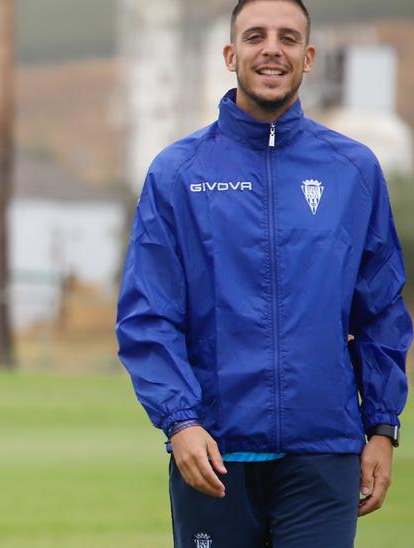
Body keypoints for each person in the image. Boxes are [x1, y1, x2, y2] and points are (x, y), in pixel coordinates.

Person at [116, 0, 409, 546]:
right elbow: (147, 314)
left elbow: (382, 313)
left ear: (309, 57)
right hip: (215, 454)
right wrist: (180, 421)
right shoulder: (178, 173)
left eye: (288, 38)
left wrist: (383, 429)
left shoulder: (354, 170)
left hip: (324, 454)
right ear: (231, 55)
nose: (272, 48)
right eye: (255, 36)